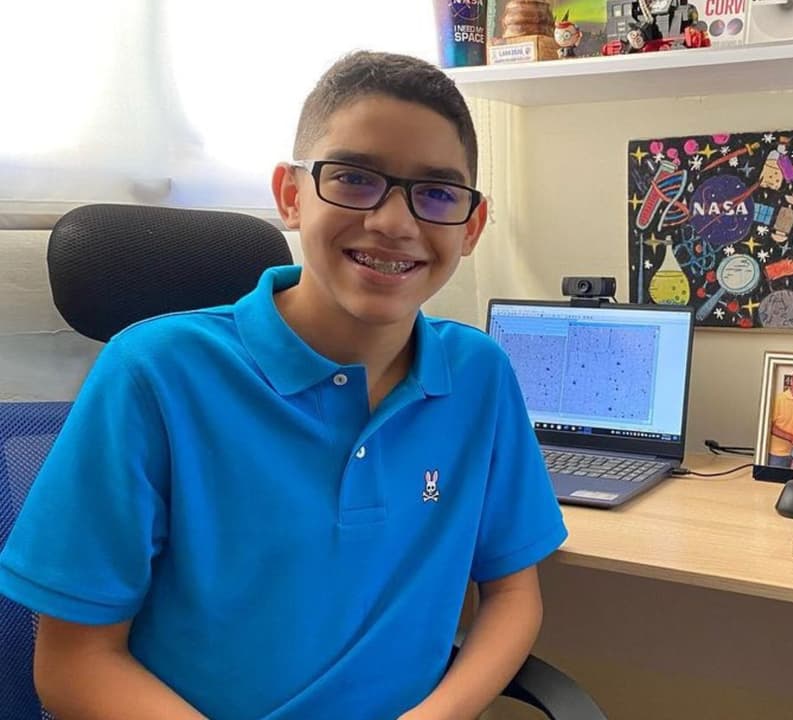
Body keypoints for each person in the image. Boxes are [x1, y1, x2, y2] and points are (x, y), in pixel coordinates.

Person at [0, 51, 567, 720]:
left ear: (470, 226)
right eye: (355, 179)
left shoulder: (480, 376)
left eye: (438, 193)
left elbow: (512, 594)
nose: (394, 221)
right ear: (292, 196)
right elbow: (73, 664)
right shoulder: (153, 374)